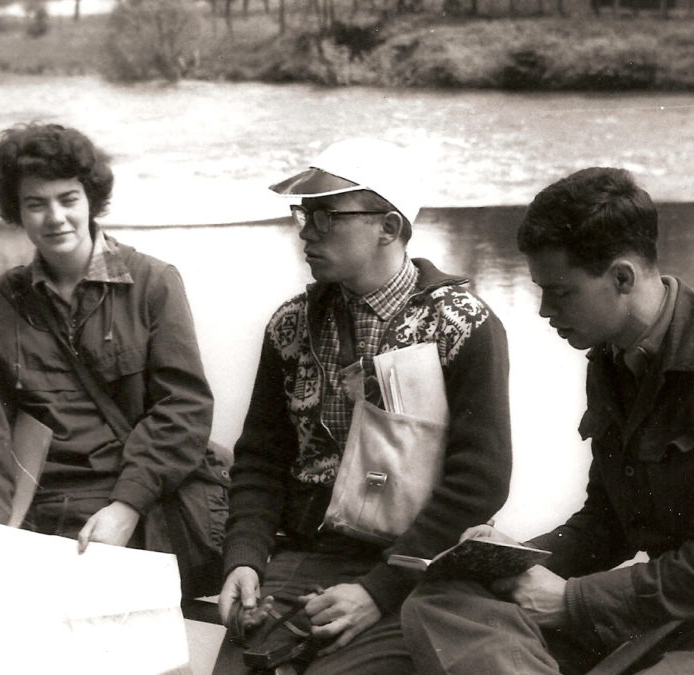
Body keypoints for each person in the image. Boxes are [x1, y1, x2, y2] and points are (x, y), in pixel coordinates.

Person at [0, 123, 220, 673]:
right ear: (17, 212)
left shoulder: (153, 284)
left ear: (91, 199)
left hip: (132, 502)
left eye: (67, 199)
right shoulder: (0, 304)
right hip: (34, 510)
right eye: (36, 204)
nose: (55, 217)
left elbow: (184, 410)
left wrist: (126, 506)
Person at [401, 167, 694, 674]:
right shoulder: (613, 359)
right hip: (656, 610)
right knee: (443, 598)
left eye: (561, 292)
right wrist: (511, 561)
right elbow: (608, 522)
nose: (544, 310)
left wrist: (572, 600)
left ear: (622, 278)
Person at [216, 139, 513, 673]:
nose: (306, 232)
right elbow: (261, 458)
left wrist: (379, 589)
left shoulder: (462, 325)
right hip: (306, 557)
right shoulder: (290, 325)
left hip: (420, 569)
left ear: (389, 228)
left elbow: (480, 482)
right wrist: (244, 558)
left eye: (326, 216)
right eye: (303, 214)